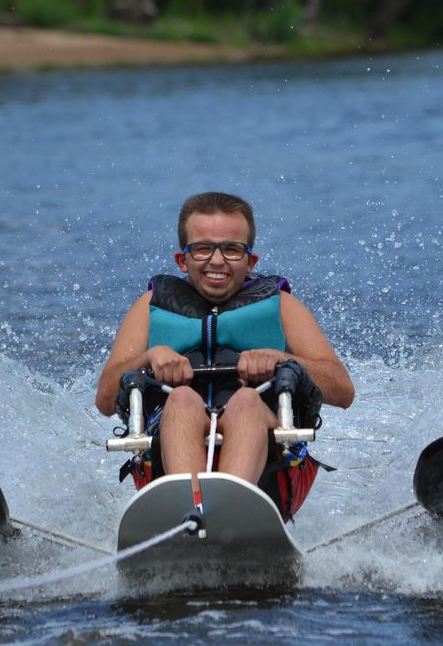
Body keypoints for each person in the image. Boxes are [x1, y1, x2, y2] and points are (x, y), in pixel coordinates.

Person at [96, 192, 354, 520]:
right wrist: (149, 356)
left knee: (246, 402)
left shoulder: (284, 307)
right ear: (182, 259)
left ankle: (229, 516)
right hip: (167, 450)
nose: (216, 261)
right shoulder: (149, 307)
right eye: (203, 248)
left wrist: (279, 358)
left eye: (231, 249)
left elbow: (343, 391)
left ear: (251, 261)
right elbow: (105, 399)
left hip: (270, 460)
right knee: (182, 402)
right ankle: (194, 514)